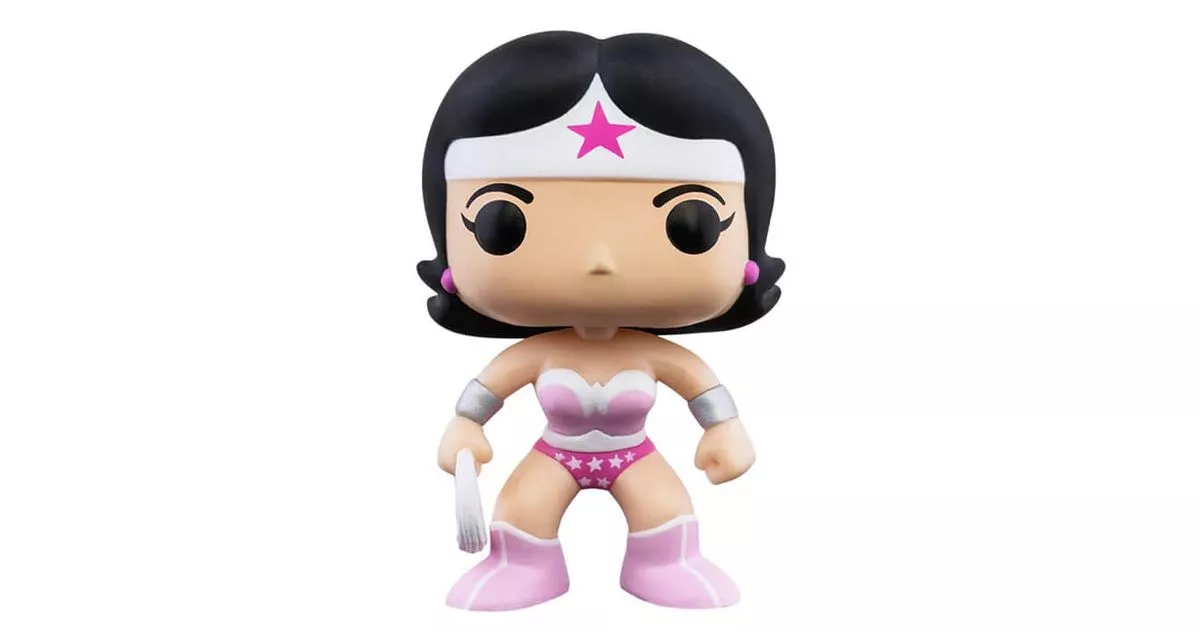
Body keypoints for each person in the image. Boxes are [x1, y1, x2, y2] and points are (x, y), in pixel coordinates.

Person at [416, 30, 785, 610]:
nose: (600, 260)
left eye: (689, 224)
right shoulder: (536, 355)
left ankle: (666, 560)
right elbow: (482, 398)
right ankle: (522, 562)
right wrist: (465, 427)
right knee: (523, 509)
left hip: (634, 454)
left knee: (665, 511)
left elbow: (702, 390)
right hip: (554, 453)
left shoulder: (657, 355)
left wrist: (724, 429)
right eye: (502, 223)